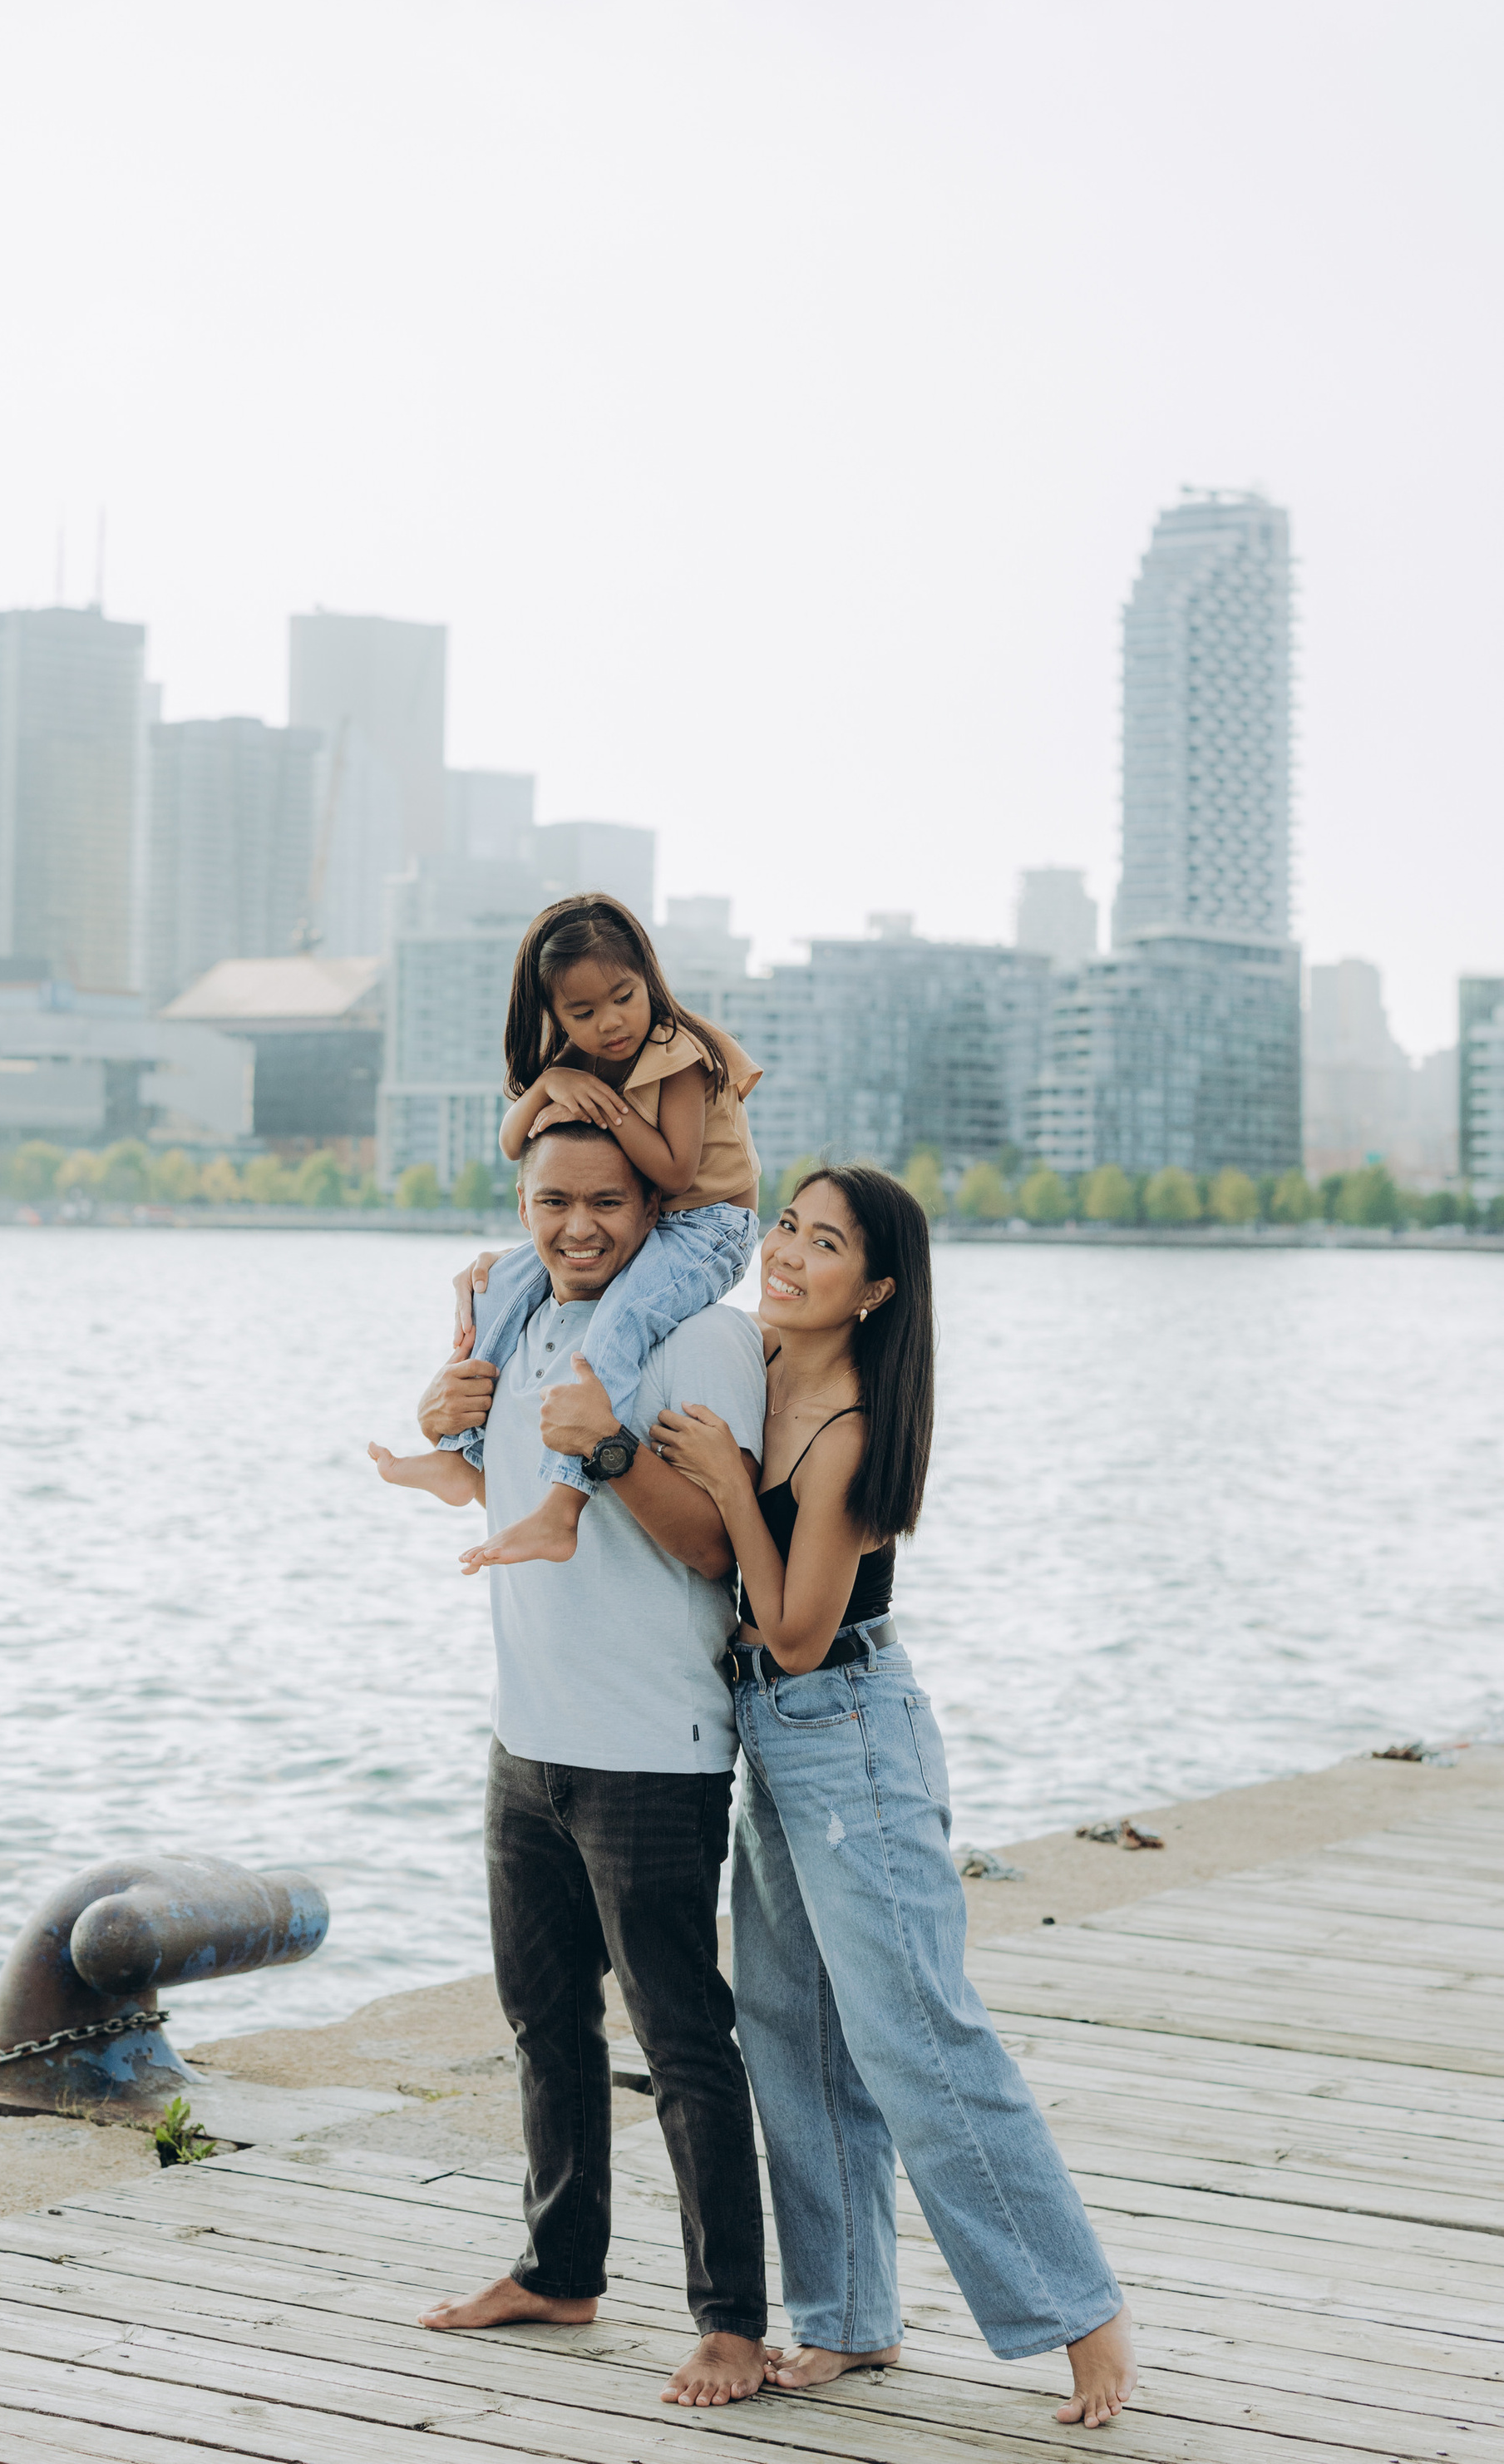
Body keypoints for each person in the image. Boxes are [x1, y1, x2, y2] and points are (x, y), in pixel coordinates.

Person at [649, 1163, 1140, 2431]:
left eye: (827, 1246)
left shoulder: (856, 1423)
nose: (792, 1256)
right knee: (791, 2029)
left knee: (916, 2034)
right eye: (790, 1230)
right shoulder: (749, 1355)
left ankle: (1084, 2316)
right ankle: (851, 2318)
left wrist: (720, 1483)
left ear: (875, 1290)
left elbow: (800, 1630)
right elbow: (651, 1275)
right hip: (777, 1737)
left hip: (849, 1730)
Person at [383, 1116, 773, 2407]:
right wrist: (437, 1427)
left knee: (682, 2041)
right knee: (545, 2025)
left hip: (650, 1754)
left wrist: (604, 1449)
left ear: (656, 1206)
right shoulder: (517, 1315)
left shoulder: (699, 1334)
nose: (581, 1227)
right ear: (522, 1197)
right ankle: (560, 2269)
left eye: (610, 1200)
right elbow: (483, 1487)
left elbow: (719, 1554)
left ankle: (730, 2321)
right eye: (555, 1200)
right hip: (528, 1739)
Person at [370, 893, 762, 1571]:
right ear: (553, 1015)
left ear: (650, 980)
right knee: (500, 1281)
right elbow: (510, 1140)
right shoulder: (578, 1059)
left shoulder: (678, 1051)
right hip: (649, 1219)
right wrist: (550, 1083)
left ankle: (563, 1506)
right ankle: (463, 1457)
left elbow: (672, 1171)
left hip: (708, 1227)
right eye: (582, 1014)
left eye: (623, 997)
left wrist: (605, 1111)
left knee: (622, 1318)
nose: (610, 1024)